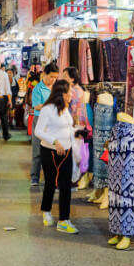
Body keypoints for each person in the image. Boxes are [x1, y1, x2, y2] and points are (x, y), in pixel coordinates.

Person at [34, 79, 81, 234]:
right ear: (61, 93)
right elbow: (38, 132)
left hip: (66, 151)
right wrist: (55, 141)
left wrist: (76, 133)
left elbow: (67, 128)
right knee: (50, 183)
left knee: (66, 186)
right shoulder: (48, 109)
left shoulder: (65, 108)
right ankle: (46, 211)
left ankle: (64, 220)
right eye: (69, 92)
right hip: (50, 152)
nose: (71, 94)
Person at [30, 63, 59, 186]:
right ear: (45, 74)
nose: (53, 79)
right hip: (40, 120)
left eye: (55, 77)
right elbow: (36, 106)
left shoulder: (56, 87)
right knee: (37, 150)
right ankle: (35, 177)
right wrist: (51, 103)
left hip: (53, 121)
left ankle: (50, 177)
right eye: (51, 76)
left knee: (51, 149)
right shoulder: (38, 88)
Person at [0, 57, 12, 141]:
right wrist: (10, 101)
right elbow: (8, 89)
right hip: (1, 99)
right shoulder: (4, 74)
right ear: (0, 64)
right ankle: (5, 135)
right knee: (3, 117)